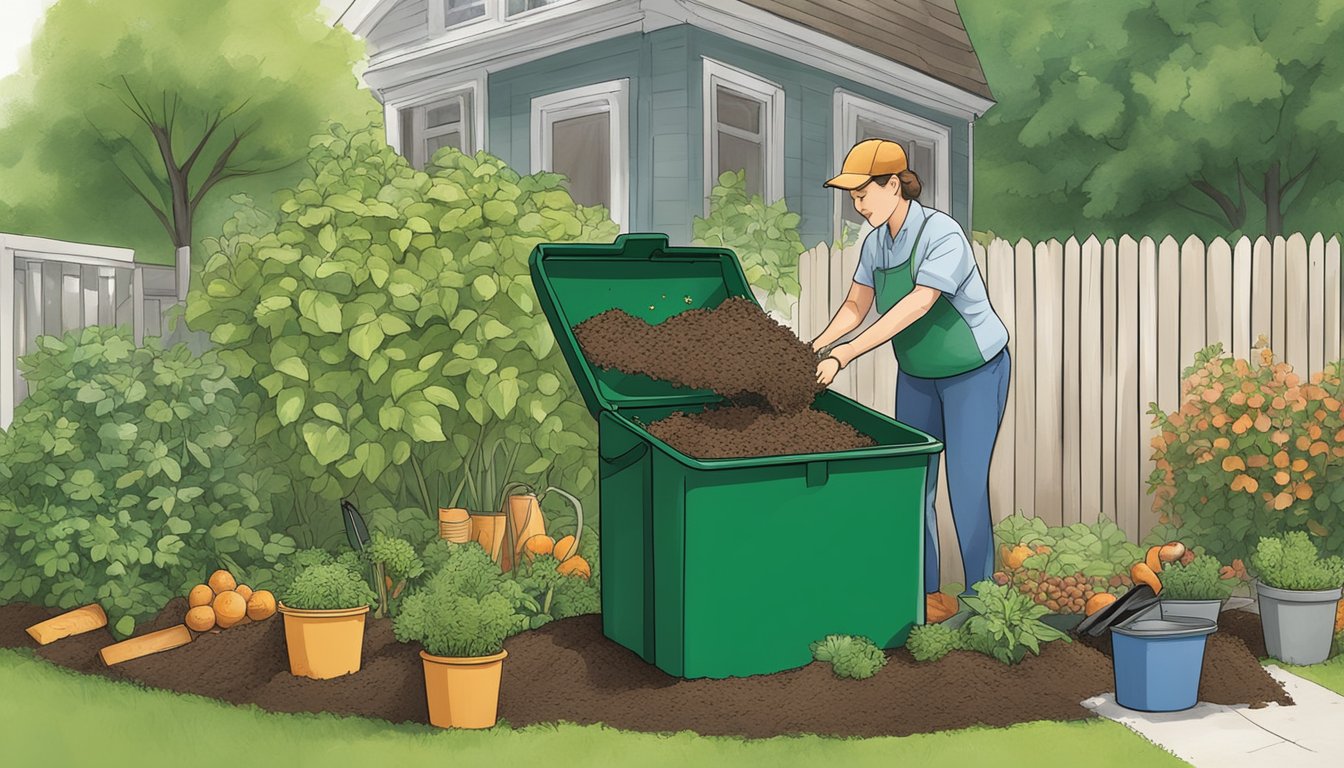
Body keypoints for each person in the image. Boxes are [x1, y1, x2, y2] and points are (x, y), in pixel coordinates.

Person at [812, 139, 1011, 613]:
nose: (858, 206)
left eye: (864, 194)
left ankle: (981, 600)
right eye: (853, 198)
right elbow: (856, 305)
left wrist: (844, 357)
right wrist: (815, 347)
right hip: (918, 374)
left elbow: (918, 305)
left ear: (895, 184)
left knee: (964, 486)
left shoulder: (942, 234)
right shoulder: (877, 243)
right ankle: (924, 596)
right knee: (915, 484)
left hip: (974, 372)